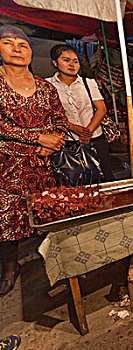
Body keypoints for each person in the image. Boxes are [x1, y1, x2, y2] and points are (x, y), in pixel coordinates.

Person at [0, 26, 67, 296]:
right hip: (7, 166)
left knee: (45, 214)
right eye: (8, 43)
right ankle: (8, 266)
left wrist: (53, 143)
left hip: (43, 164)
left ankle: (49, 262)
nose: (17, 49)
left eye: (23, 45)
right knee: (6, 221)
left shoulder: (46, 88)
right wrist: (38, 137)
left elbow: (60, 120)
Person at [46, 44, 114, 181]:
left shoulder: (88, 83)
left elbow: (101, 109)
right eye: (66, 60)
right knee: (74, 180)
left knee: (105, 177)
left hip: (95, 138)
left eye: (75, 61)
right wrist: (74, 128)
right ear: (55, 62)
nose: (72, 64)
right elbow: (49, 114)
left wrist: (88, 131)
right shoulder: (47, 85)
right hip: (68, 141)